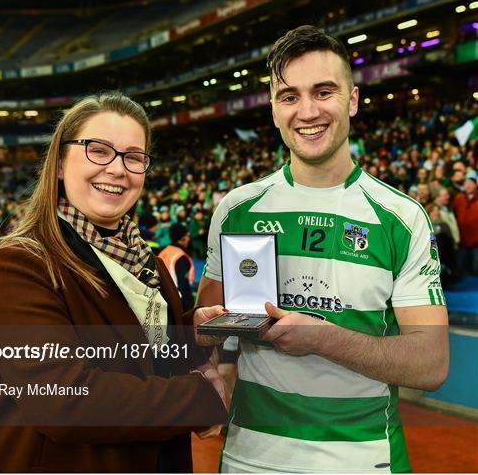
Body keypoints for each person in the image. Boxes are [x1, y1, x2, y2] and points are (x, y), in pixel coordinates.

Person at [196, 26, 449, 473]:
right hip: (249, 460)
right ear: (274, 110)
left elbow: (430, 365)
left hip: (364, 460)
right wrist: (206, 363)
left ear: (352, 100)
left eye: (324, 91)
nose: (307, 111)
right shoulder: (235, 210)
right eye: (289, 96)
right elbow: (207, 336)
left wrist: (325, 340)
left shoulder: (401, 218)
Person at [0, 93, 228, 473]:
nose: (117, 169)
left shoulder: (147, 262)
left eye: (133, 157)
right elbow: (64, 400)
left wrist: (193, 334)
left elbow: (144, 356)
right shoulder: (23, 263)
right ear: (60, 163)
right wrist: (204, 397)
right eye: (98, 150)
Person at [159, 223, 195, 311]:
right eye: (187, 236)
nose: (188, 238)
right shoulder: (181, 257)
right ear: (182, 238)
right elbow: (183, 285)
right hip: (177, 301)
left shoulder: (164, 251)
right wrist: (190, 308)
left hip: (162, 297)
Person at [452, 172, 478, 275]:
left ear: (475, 185)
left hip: (476, 242)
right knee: (460, 268)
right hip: (461, 240)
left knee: (476, 269)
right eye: (466, 183)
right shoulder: (458, 198)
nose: (468, 186)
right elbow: (452, 214)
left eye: (471, 183)